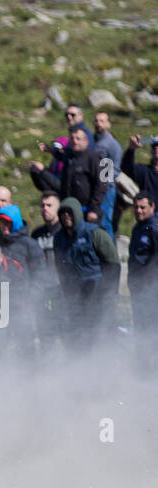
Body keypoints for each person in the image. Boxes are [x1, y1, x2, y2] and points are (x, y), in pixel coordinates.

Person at [52, 197, 119, 346]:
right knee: (77, 338)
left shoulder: (95, 233)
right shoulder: (58, 239)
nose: (66, 216)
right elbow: (59, 267)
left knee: (102, 336)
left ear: (77, 213)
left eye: (69, 213)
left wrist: (108, 293)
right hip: (74, 298)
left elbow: (113, 264)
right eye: (62, 213)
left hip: (98, 295)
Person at [32, 124, 107, 226]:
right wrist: (49, 149)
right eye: (72, 138)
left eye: (78, 139)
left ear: (86, 141)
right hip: (70, 211)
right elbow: (60, 154)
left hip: (88, 211)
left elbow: (101, 185)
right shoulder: (69, 157)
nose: (75, 141)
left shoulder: (93, 158)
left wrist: (94, 209)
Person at [129, 191, 157, 344]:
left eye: (143, 207)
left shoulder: (155, 227)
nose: (139, 211)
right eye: (136, 207)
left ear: (152, 207)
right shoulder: (137, 228)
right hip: (138, 288)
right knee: (141, 329)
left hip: (152, 289)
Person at [92, 112, 123, 237]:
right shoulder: (92, 141)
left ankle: (110, 253)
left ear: (108, 124)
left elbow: (113, 170)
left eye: (102, 121)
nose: (98, 123)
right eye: (96, 120)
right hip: (95, 189)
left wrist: (102, 184)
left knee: (105, 222)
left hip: (106, 189)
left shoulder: (111, 144)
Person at [122, 134, 158, 201]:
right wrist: (131, 149)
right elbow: (127, 169)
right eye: (154, 146)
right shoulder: (144, 171)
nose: (156, 148)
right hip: (148, 210)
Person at [31, 192, 61, 269]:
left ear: (59, 208)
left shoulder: (64, 233)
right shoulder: (36, 234)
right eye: (42, 205)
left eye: (49, 205)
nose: (45, 208)